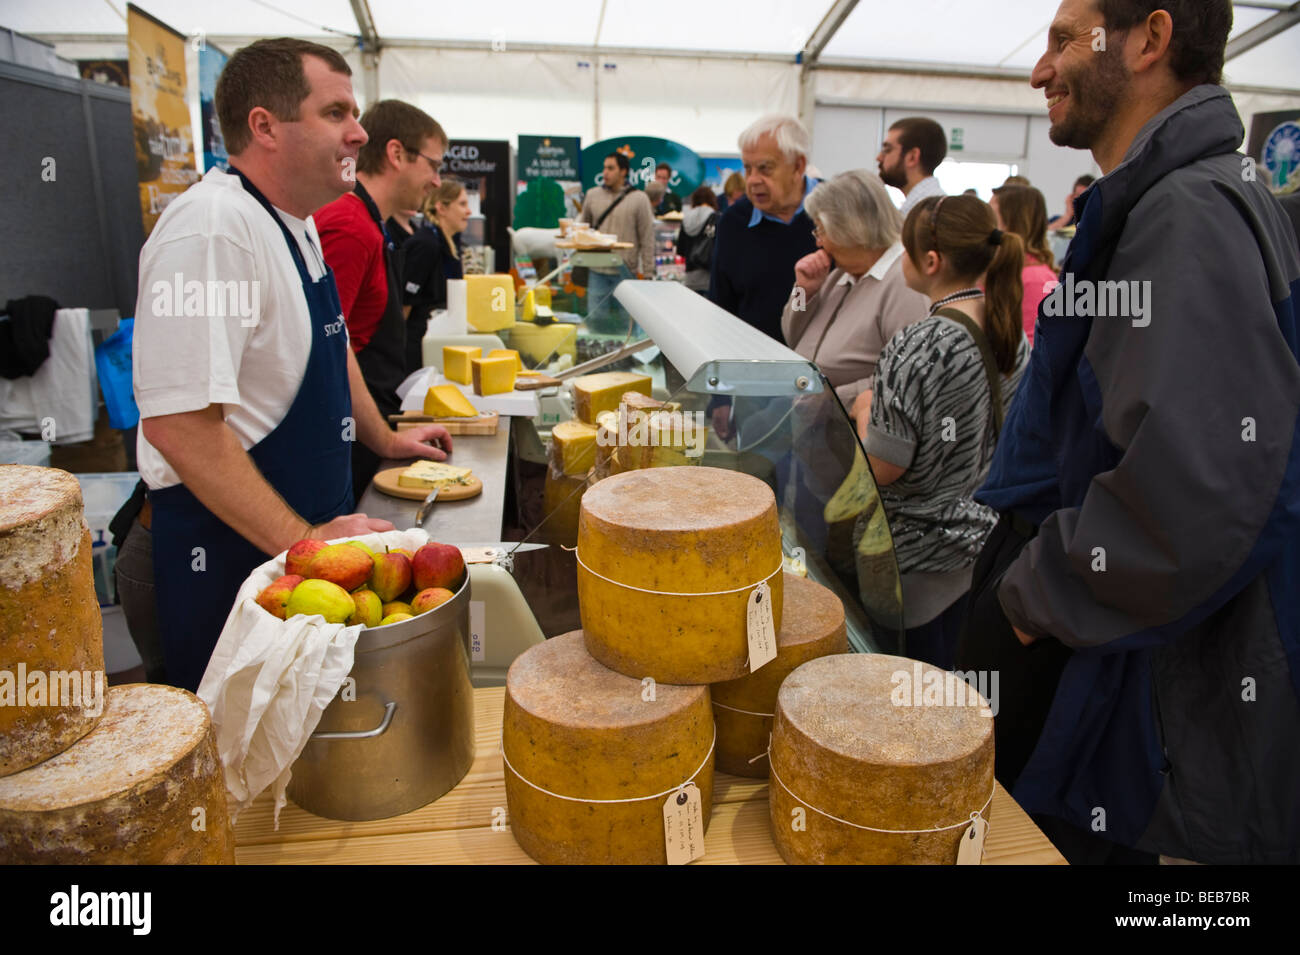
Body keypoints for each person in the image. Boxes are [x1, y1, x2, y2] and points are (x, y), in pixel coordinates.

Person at [959, 0, 1300, 865]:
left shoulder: (1187, 214)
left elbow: (1204, 490)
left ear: (1149, 39)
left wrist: (1030, 601)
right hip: (1132, 669)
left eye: (1065, 41)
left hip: (1160, 718)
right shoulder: (1176, 200)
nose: (1041, 71)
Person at [130, 38, 452, 692]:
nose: (360, 132)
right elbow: (181, 426)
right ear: (264, 126)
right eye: (336, 112)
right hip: (220, 564)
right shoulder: (214, 229)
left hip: (288, 559)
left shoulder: (296, 223)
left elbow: (330, 343)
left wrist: (384, 437)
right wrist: (306, 543)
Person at [863, 195, 1029, 670]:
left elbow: (886, 467)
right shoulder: (1011, 332)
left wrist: (862, 411)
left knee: (906, 712)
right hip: (980, 549)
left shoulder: (916, 345)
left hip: (915, 563)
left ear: (931, 262)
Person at [314, 99, 446, 497]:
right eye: (434, 165)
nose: (438, 181)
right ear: (396, 153)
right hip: (345, 447)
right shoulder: (350, 225)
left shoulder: (371, 225)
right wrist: (381, 439)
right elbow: (327, 350)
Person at [779, 170, 928, 428]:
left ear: (852, 228)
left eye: (823, 231)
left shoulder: (903, 281)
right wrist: (804, 290)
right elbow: (792, 337)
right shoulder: (839, 274)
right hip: (813, 428)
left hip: (850, 432)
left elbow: (910, 375)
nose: (819, 242)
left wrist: (835, 397)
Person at [579, 151, 655, 333]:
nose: (605, 172)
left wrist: (649, 274)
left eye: (611, 168)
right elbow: (582, 231)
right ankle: (596, 359)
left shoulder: (639, 199)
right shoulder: (592, 195)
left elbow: (647, 237)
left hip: (625, 271)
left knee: (625, 323)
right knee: (596, 322)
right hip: (597, 271)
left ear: (624, 171)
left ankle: (625, 361)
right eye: (604, 168)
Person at [400, 180, 470, 374]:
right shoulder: (426, 245)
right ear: (441, 208)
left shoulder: (449, 246)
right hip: (416, 351)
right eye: (462, 204)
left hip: (434, 344)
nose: (469, 212)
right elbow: (404, 304)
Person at [991, 184, 1058, 345]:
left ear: (1013, 223)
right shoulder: (1003, 267)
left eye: (992, 217)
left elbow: (1032, 345)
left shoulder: (1036, 278)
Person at [876, 117, 947, 216]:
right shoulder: (923, 208)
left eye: (887, 150)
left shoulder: (929, 214)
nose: (879, 158)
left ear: (912, 157)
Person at [676, 186, 718, 293]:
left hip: (689, 278)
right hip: (709, 278)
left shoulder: (686, 219)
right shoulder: (715, 218)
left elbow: (680, 249)